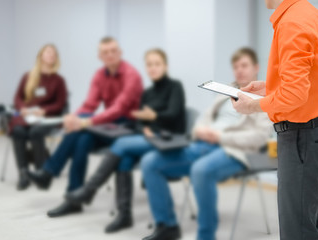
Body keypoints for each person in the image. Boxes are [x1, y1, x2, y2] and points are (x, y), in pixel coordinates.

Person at [232, 1, 318, 239]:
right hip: (315, 133)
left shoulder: (292, 22)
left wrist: (252, 105)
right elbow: (309, 80)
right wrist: (269, 86)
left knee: (298, 231)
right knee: (313, 221)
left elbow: (294, 95)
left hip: (303, 138)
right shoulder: (311, 14)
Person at [141, 48, 273, 240]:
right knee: (150, 162)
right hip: (202, 145)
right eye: (236, 66)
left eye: (244, 65)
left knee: (200, 171)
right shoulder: (225, 92)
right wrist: (200, 131)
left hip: (233, 151)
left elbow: (259, 137)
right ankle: (167, 226)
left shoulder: (264, 99)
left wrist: (219, 137)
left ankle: (206, 236)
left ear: (256, 68)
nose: (239, 70)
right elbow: (203, 120)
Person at [65, 48, 186, 233]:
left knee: (120, 144)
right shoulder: (147, 93)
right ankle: (124, 216)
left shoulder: (175, 86)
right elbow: (138, 122)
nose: (153, 68)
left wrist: (153, 116)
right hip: (147, 139)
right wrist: (143, 128)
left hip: (168, 140)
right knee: (124, 159)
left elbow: (174, 114)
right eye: (149, 64)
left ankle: (89, 189)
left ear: (166, 66)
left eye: (157, 64)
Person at [28, 37, 144, 218]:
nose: (110, 55)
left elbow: (118, 109)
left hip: (128, 127)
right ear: (99, 56)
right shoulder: (99, 75)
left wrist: (83, 122)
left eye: (114, 51)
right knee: (82, 139)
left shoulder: (132, 75)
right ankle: (74, 199)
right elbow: (90, 104)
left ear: (120, 53)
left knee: (82, 125)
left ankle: (49, 171)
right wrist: (73, 118)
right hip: (107, 126)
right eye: (105, 52)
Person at [10, 44, 67, 191]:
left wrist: (44, 110)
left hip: (48, 117)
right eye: (48, 53)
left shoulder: (58, 80)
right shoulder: (28, 76)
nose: (51, 55)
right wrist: (22, 108)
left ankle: (41, 172)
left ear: (56, 59)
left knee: (35, 132)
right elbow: (17, 98)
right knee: (18, 131)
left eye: (54, 54)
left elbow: (60, 104)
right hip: (26, 115)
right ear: (40, 56)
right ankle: (23, 174)